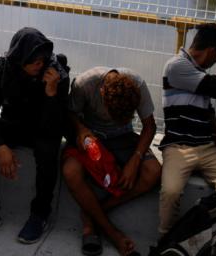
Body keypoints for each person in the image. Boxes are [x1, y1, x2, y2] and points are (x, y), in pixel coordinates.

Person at [0, 27, 69, 244]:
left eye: (42, 59)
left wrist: (51, 93)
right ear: (19, 56)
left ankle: (40, 214)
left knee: (48, 150)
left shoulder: (57, 72)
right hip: (12, 122)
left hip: (42, 127)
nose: (39, 64)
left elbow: (57, 126)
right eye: (33, 59)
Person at [62, 66, 161, 256]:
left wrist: (135, 160)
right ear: (101, 92)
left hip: (124, 138)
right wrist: (81, 129)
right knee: (70, 171)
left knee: (153, 172)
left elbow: (149, 126)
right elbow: (70, 113)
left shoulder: (137, 84)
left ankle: (93, 214)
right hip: (91, 138)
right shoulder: (84, 84)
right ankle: (113, 233)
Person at [158, 23, 216, 237]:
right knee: (171, 191)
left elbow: (205, 106)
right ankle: (167, 239)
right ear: (212, 50)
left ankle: (193, 233)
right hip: (178, 147)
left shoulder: (197, 73)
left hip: (206, 146)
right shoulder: (177, 66)